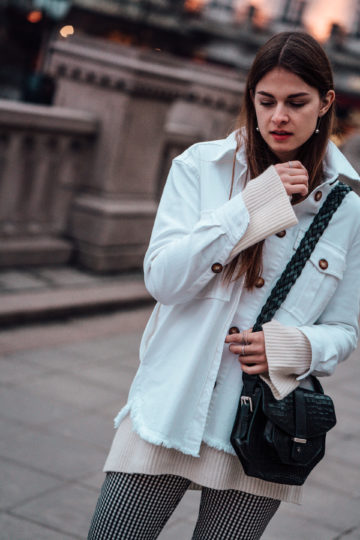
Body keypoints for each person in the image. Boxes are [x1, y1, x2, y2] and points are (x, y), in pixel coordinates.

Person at [88, 32, 360, 540]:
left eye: (296, 102)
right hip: (171, 405)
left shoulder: (347, 212)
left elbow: (344, 329)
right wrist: (252, 205)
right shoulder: (200, 168)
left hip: (264, 427)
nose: (279, 115)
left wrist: (292, 346)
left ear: (325, 104)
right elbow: (164, 280)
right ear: (251, 100)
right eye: (266, 101)